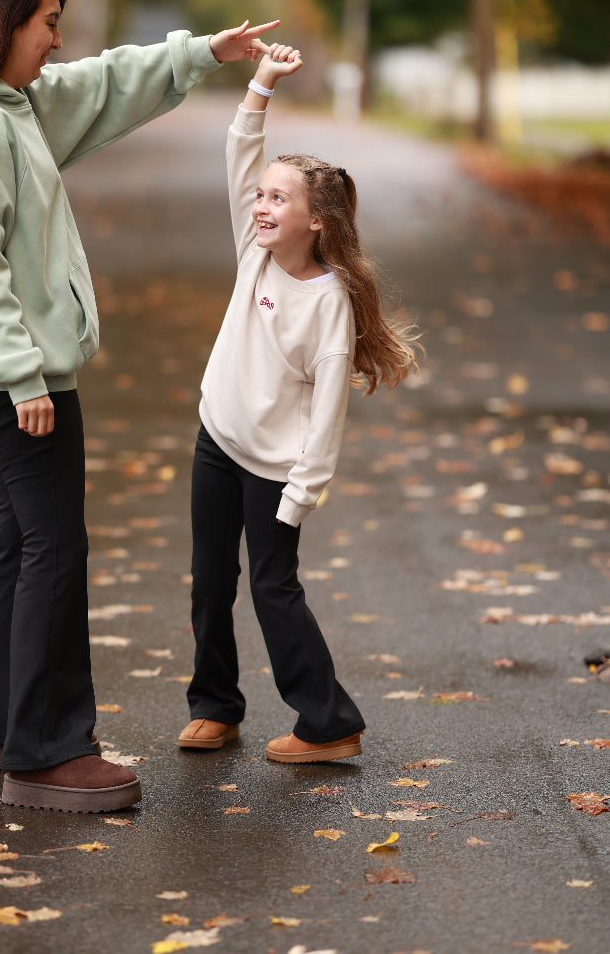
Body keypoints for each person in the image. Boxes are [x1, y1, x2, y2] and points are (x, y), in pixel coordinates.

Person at [0, 0, 279, 813]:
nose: (58, 41)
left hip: (6, 367)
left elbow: (102, 83)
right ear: (1, 28)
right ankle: (48, 751)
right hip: (14, 371)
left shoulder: (8, 107)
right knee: (56, 548)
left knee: (23, 542)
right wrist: (23, 374)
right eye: (46, 24)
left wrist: (204, 51)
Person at [179, 40, 419, 763]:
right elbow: (238, 151)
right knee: (210, 581)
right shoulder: (252, 248)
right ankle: (215, 705)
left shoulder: (329, 303)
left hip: (278, 466)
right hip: (217, 438)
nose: (261, 204)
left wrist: (302, 493)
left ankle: (328, 721)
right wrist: (260, 84)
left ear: (317, 220)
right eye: (260, 194)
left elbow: (326, 415)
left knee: (273, 587)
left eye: (278, 197)